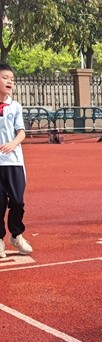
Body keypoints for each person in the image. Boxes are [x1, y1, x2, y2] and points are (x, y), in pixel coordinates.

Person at [0, 63, 31, 258]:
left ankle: (16, 235)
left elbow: (22, 132)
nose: (10, 81)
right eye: (5, 77)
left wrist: (12, 144)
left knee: (17, 201)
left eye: (12, 79)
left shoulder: (15, 106)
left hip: (14, 162)